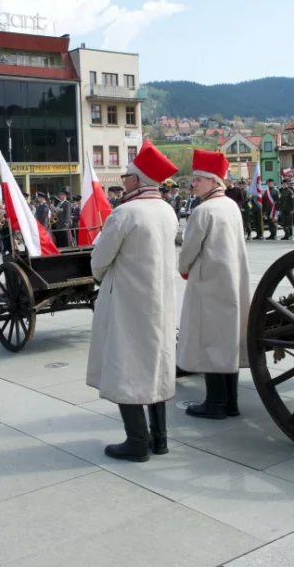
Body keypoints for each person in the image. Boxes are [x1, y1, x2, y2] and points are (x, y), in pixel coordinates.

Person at [88, 142, 179, 462]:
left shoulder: (125, 212)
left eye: (127, 175)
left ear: (138, 180)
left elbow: (99, 260)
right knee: (155, 364)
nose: (123, 179)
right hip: (160, 300)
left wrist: (100, 278)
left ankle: (137, 441)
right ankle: (160, 439)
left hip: (128, 301)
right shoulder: (167, 210)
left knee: (126, 366)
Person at [178, 150, 250, 420]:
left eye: (198, 179)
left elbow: (188, 251)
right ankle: (231, 402)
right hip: (232, 280)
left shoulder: (204, 210)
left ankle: (216, 402)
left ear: (212, 181)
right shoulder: (231, 205)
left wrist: (183, 269)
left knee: (210, 341)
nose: (193, 184)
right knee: (227, 339)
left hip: (209, 283)